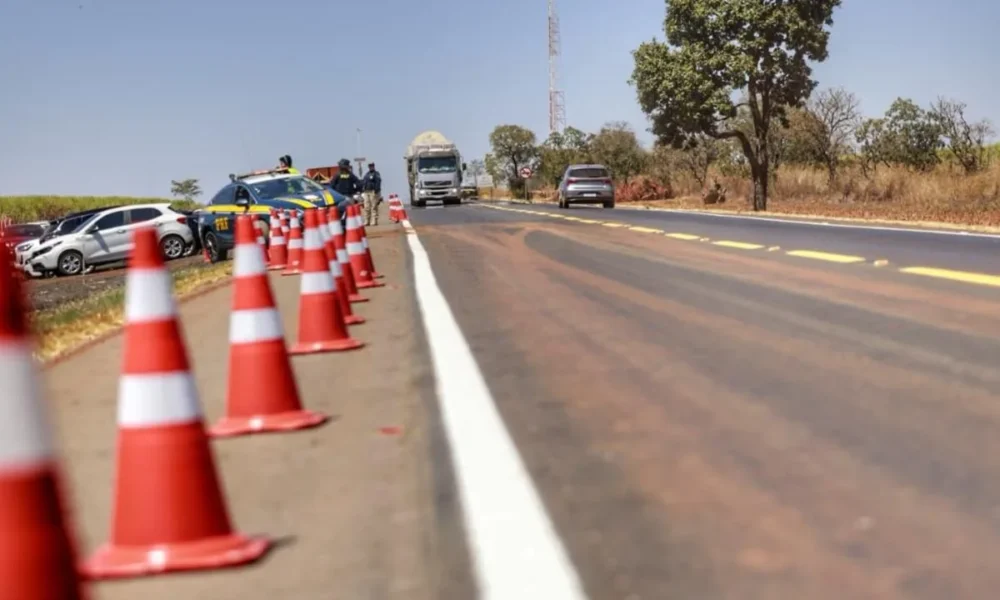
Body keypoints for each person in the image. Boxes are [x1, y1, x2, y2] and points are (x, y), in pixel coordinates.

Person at [360, 162, 382, 226]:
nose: (371, 167)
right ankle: (367, 221)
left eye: (372, 166)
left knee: (373, 207)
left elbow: (378, 182)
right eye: (370, 166)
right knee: (366, 207)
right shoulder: (366, 174)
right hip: (366, 192)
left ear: (374, 166)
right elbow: (364, 182)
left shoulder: (376, 174)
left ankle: (374, 221)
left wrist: (376, 191)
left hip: (373, 192)